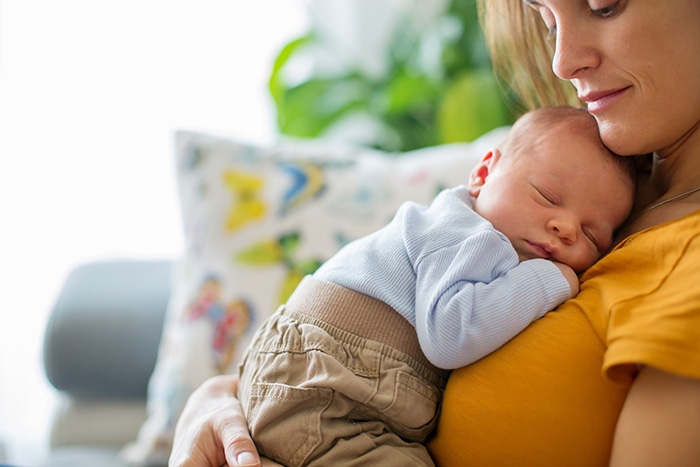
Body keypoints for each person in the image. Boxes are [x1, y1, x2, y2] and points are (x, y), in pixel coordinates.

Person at [169, 1, 700, 466]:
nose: (562, 60)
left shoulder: (672, 253)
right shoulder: (571, 172)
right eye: (544, 17)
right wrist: (219, 398)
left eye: (604, 4)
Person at [232, 106, 633, 467]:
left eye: (592, 236)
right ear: (482, 174)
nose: (565, 228)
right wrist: (551, 278)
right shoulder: (468, 232)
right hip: (329, 379)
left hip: (327, 380)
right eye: (547, 196)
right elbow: (450, 335)